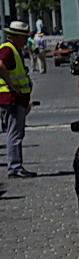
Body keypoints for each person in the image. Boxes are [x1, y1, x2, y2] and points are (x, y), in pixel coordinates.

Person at [1, 21, 34, 179]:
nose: (26, 41)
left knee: (15, 132)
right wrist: (11, 85)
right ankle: (14, 167)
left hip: (16, 98)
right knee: (14, 134)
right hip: (11, 98)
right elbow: (0, 65)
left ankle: (15, 166)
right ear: (17, 37)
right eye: (24, 37)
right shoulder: (7, 49)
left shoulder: (13, 49)